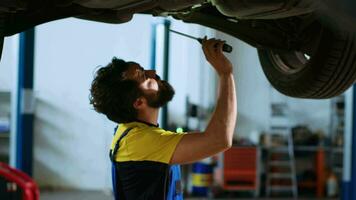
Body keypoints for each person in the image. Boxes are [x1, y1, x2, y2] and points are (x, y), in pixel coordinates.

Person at [89, 38, 237, 200]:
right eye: (144, 77)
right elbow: (220, 140)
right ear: (139, 102)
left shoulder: (130, 133)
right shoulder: (140, 141)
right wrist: (225, 73)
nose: (153, 72)